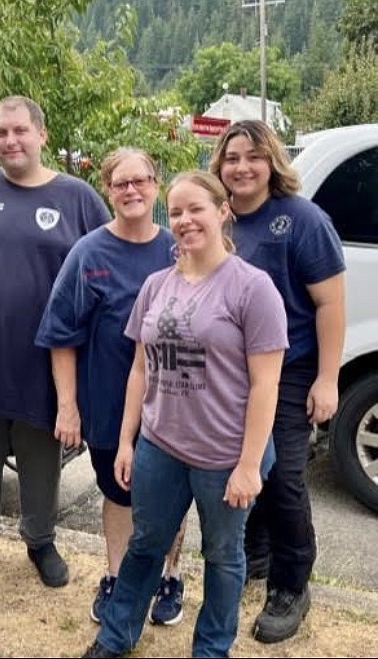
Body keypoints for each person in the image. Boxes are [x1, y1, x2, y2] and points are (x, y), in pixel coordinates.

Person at [81, 170, 288, 659]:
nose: (185, 220)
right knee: (145, 546)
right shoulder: (156, 286)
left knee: (223, 557)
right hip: (161, 447)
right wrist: (128, 441)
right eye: (175, 212)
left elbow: (266, 384)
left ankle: (211, 649)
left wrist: (247, 466)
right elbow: (139, 370)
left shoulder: (252, 289)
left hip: (225, 456)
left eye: (196, 209)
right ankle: (115, 638)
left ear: (222, 211)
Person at [0, 95, 110, 590]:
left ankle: (40, 540)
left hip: (47, 360)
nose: (10, 141)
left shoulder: (77, 198)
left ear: (41, 135)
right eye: (0, 132)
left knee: (41, 455)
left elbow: (107, 263)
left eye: (19, 131)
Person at [36, 148, 188, 626]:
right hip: (105, 403)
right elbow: (61, 336)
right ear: (107, 189)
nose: (131, 191)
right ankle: (118, 577)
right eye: (120, 183)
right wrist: (68, 407)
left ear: (156, 186)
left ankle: (169, 576)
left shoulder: (178, 249)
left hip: (174, 405)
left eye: (140, 181)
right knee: (119, 494)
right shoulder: (89, 254)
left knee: (170, 497)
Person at [209, 119, 346, 643]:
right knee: (243, 466)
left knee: (284, 475)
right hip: (228, 373)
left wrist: (327, 379)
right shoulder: (217, 220)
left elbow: (330, 303)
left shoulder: (302, 219)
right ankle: (257, 553)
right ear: (219, 165)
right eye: (231, 157)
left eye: (253, 156)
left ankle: (292, 584)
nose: (242, 167)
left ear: (272, 163)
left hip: (289, 371)